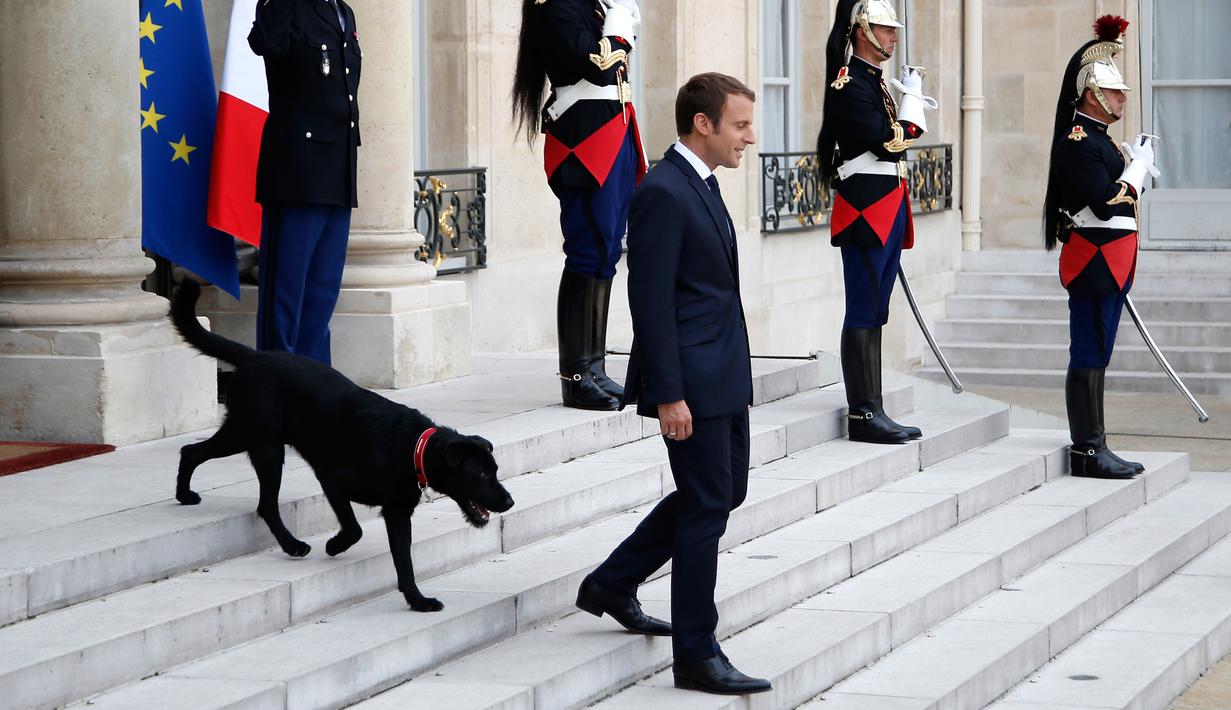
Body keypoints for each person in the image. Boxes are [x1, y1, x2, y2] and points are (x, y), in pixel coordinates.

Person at [575, 73, 771, 696]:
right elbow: (650, 301)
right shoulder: (662, 190)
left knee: (719, 493)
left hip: (721, 374)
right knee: (707, 506)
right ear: (703, 124)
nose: (750, 136)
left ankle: (612, 580)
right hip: (690, 380)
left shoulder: (700, 183)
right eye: (740, 124)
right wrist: (668, 394)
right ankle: (696, 651)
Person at [512, 0, 648, 411]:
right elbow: (601, 67)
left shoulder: (591, 5)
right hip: (584, 140)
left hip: (613, 129)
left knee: (607, 250)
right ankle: (574, 377)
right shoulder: (555, 7)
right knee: (588, 250)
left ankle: (595, 368)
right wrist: (623, 17)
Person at [816, 0, 934, 444]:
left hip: (883, 207)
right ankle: (863, 413)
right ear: (862, 30)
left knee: (876, 312)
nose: (893, 36)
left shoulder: (874, 84)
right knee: (863, 310)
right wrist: (914, 109)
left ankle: (874, 405)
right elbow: (889, 144)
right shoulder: (850, 84)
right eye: (885, 29)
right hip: (866, 210)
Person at [1043, 15, 1154, 479]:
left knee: (1099, 350)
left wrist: (1132, 168)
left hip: (1110, 261)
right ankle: (1088, 448)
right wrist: (1136, 171)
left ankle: (1097, 442)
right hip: (1093, 261)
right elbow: (1107, 206)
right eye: (1116, 92)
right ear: (1093, 93)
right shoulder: (1080, 140)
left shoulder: (1103, 141)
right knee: (1088, 350)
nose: (1123, 99)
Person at [247, 0, 361, 365]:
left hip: (337, 169)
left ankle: (317, 393)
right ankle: (277, 393)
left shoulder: (341, 11)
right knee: (285, 296)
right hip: (297, 170)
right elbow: (268, 42)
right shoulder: (286, 6)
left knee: (321, 296)